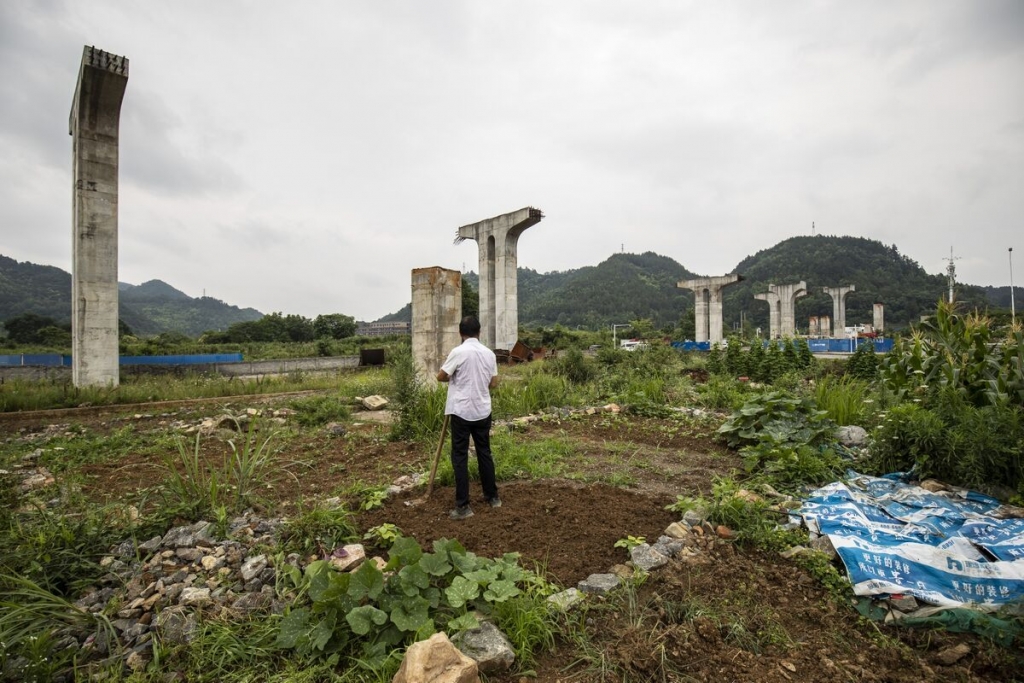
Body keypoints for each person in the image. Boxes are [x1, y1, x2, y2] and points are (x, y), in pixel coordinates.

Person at [436, 315, 499, 520]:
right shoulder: (489, 354)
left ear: (461, 333)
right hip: (482, 411)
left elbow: (441, 376)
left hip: (461, 411)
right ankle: (493, 497)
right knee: (484, 453)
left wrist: (455, 377)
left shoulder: (458, 352)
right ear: (479, 332)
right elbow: (494, 383)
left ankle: (463, 506)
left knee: (460, 457)